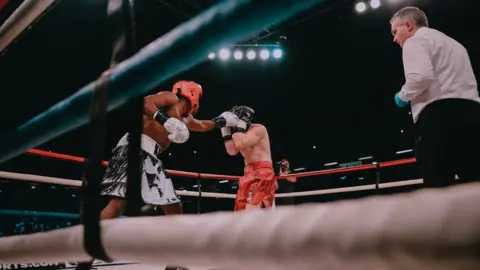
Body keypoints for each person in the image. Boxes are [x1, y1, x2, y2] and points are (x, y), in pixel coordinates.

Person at [75, 80, 236, 270]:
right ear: (193, 95)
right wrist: (164, 120)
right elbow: (143, 102)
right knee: (119, 203)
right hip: (134, 148)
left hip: (148, 155)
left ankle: (176, 261)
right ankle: (85, 256)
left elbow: (203, 125)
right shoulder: (171, 98)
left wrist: (223, 121)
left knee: (172, 206)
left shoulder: (185, 119)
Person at [390, 7, 480, 188]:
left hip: (439, 118)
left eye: (395, 31)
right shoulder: (456, 45)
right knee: (474, 183)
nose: (395, 38)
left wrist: (402, 96)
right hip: (473, 114)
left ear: (409, 25)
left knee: (438, 187)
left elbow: (420, 77)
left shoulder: (414, 41)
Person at [219, 106, 277, 211]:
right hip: (247, 173)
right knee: (240, 210)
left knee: (252, 211)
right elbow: (232, 151)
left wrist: (241, 125)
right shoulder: (238, 134)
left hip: (262, 172)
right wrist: (225, 131)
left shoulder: (258, 129)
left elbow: (242, 143)